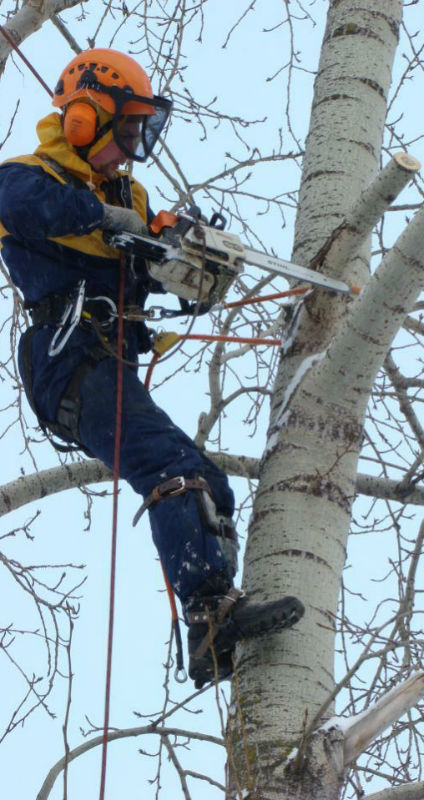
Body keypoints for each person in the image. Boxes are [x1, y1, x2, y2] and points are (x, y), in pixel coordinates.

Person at [0, 48, 304, 687]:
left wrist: (181, 263)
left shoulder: (127, 196)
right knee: (170, 469)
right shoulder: (25, 179)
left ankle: (209, 634)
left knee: (209, 482)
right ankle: (209, 608)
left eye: (142, 131)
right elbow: (37, 212)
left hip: (105, 359)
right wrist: (114, 224)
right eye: (128, 130)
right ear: (85, 122)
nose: (133, 148)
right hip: (67, 361)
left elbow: (134, 260)